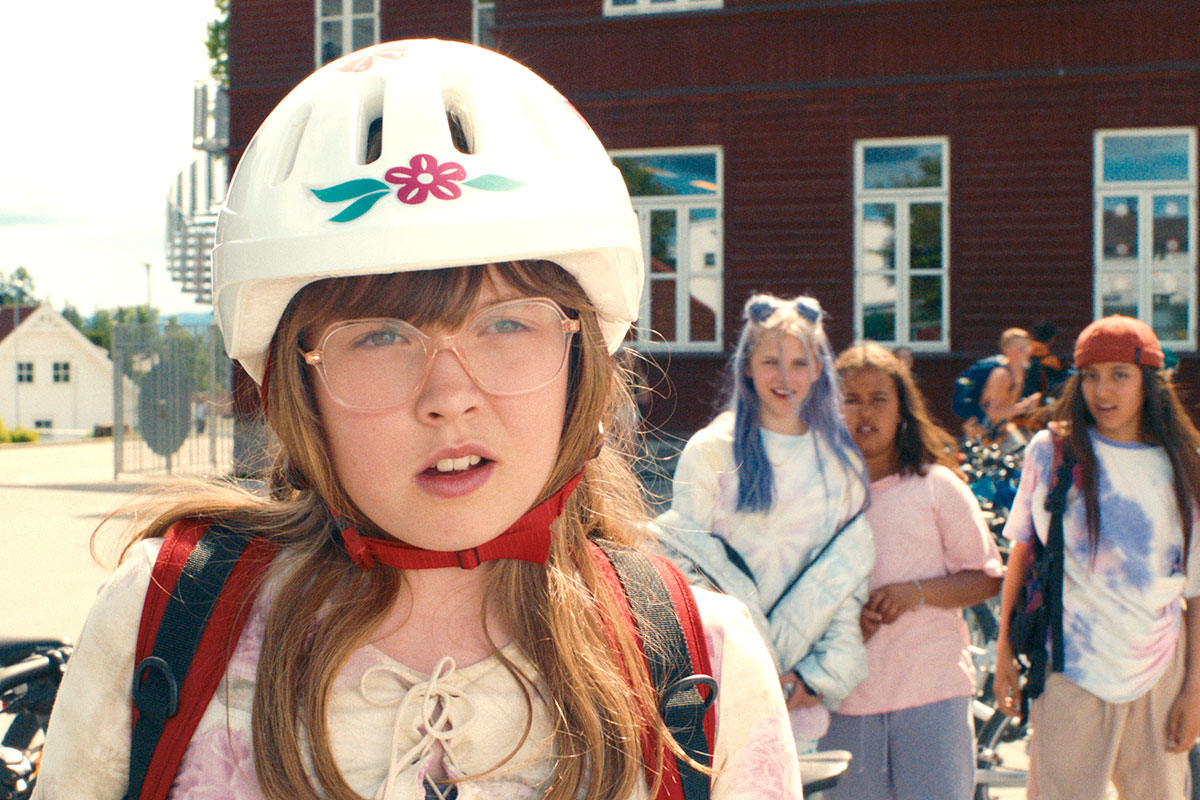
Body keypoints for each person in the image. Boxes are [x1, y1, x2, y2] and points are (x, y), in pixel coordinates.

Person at [32, 40, 801, 800]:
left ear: (582, 357)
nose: (448, 395)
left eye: (506, 323)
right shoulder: (164, 622)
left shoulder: (702, 665)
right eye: (379, 335)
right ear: (299, 388)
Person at [654, 293, 874, 754]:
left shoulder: (839, 465)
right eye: (771, 360)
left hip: (797, 701)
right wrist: (735, 665)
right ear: (748, 366)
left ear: (818, 370)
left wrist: (815, 677)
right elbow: (680, 563)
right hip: (720, 687)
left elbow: (846, 583)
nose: (785, 377)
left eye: (799, 363)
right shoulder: (712, 449)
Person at [993, 315, 1200, 800]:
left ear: (1150, 383)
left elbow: (1196, 591)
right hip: (1070, 670)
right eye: (1090, 376)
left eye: (1119, 375)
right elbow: (1022, 554)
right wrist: (1004, 649)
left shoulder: (1185, 464)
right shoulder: (1053, 452)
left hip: (1160, 670)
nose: (1102, 391)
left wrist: (1194, 692)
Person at [821, 343, 1003, 799]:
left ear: (902, 409)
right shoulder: (816, 498)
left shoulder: (935, 486)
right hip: (846, 699)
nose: (866, 411)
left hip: (933, 693)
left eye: (880, 398)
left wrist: (915, 592)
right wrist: (843, 623)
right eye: (851, 398)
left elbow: (984, 575)